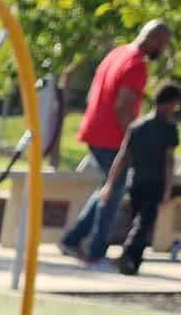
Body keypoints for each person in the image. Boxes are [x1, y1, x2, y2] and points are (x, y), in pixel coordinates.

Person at [61, 19, 171, 262]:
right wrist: (133, 141)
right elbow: (123, 107)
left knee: (107, 189)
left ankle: (72, 239)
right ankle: (95, 252)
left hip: (94, 130)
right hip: (112, 137)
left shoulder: (117, 53)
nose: (161, 51)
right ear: (152, 38)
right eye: (162, 44)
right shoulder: (136, 65)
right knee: (113, 192)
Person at [110, 80, 181, 276]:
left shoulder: (137, 126)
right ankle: (127, 254)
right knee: (144, 223)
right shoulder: (168, 128)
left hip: (136, 181)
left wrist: (111, 181)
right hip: (155, 182)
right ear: (169, 102)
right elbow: (168, 161)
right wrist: (167, 188)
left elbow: (123, 155)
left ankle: (133, 263)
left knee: (137, 221)